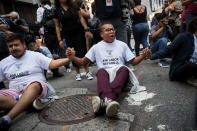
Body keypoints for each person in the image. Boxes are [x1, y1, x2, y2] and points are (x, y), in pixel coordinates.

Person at [66, 23, 151, 117]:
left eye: (112, 29)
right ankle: (109, 101)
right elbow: (82, 62)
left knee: (124, 69)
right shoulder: (96, 47)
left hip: (119, 76)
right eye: (107, 30)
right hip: (105, 77)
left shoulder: (122, 45)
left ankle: (104, 101)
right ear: (101, 34)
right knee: (101, 71)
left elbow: (133, 62)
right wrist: (72, 57)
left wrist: (143, 55)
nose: (111, 31)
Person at [0, 33, 71, 130]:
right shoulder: (3, 63)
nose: (13, 48)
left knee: (35, 84)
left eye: (16, 45)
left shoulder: (35, 55)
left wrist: (69, 58)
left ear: (24, 45)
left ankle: (7, 118)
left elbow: (52, 64)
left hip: (36, 88)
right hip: (15, 92)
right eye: (10, 46)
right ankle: (30, 105)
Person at [150, 17, 197, 86]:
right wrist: (152, 56)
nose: (165, 21)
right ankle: (190, 78)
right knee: (190, 65)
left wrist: (170, 27)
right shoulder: (184, 37)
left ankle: (192, 77)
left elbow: (172, 35)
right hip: (181, 68)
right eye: (163, 20)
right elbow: (168, 50)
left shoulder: (168, 27)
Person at [53, 0, 93, 81]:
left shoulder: (74, 6)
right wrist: (59, 39)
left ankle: (87, 71)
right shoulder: (56, 10)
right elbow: (57, 26)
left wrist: (86, 29)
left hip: (79, 32)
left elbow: (81, 17)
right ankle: (78, 73)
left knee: (83, 51)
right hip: (68, 35)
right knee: (72, 52)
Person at [37, 0, 64, 78]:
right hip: (55, 31)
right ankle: (65, 66)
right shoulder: (53, 8)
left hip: (45, 33)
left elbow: (38, 21)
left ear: (41, 3)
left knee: (47, 51)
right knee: (60, 48)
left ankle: (49, 70)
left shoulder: (39, 9)